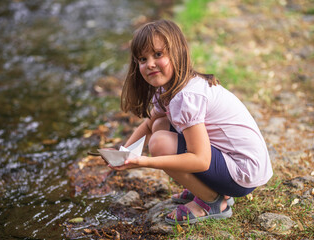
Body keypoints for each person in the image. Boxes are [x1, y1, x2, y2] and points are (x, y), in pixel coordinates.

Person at [110, 19, 273, 225]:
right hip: (232, 163)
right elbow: (150, 124)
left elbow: (201, 160)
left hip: (241, 173)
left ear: (178, 53)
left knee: (159, 143)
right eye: (142, 59)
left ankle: (211, 201)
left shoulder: (186, 96)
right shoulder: (169, 89)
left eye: (158, 54)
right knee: (160, 126)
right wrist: (123, 154)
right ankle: (205, 188)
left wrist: (143, 162)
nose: (149, 63)